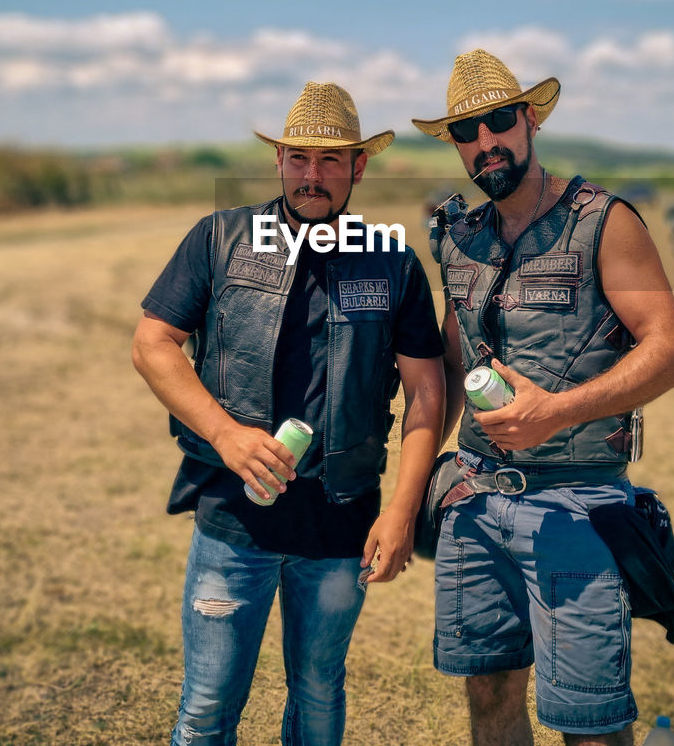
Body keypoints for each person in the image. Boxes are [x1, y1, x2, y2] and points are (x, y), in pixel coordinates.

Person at [132, 81, 445, 746]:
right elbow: (152, 344)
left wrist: (401, 510)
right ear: (278, 161)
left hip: (340, 527)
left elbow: (426, 393)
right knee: (209, 707)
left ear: (359, 167)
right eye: (299, 158)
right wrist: (226, 435)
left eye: (331, 160)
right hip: (232, 521)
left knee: (318, 695)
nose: (313, 175)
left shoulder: (392, 262)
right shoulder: (220, 238)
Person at [411, 49, 674, 746]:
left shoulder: (602, 219)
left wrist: (558, 411)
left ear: (530, 119)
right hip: (474, 503)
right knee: (490, 694)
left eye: (499, 121)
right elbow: (448, 369)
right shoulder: (460, 237)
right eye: (466, 132)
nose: (485, 143)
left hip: (578, 505)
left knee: (588, 723)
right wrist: (405, 500)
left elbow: (672, 351)